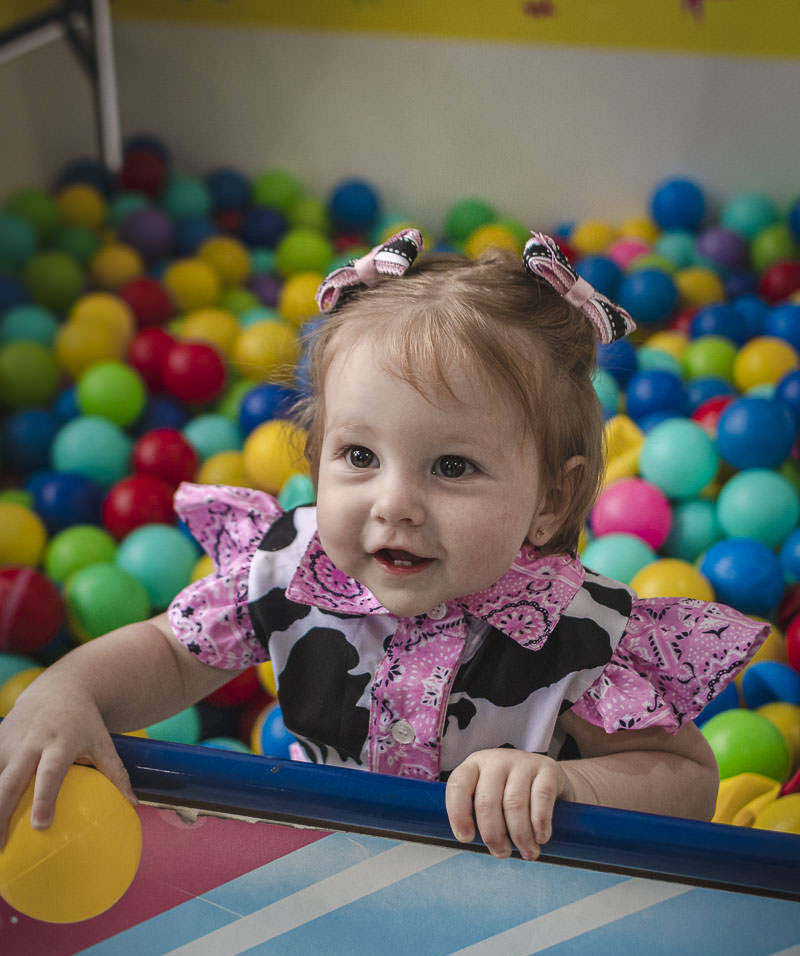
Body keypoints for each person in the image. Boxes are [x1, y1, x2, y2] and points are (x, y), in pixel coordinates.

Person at [0, 231, 767, 861]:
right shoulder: (289, 570)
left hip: (517, 910)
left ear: (550, 500)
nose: (394, 503)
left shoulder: (571, 630)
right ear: (316, 459)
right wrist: (68, 691)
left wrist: (568, 786)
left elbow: (685, 779)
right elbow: (171, 656)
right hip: (329, 878)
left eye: (453, 466)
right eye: (360, 456)